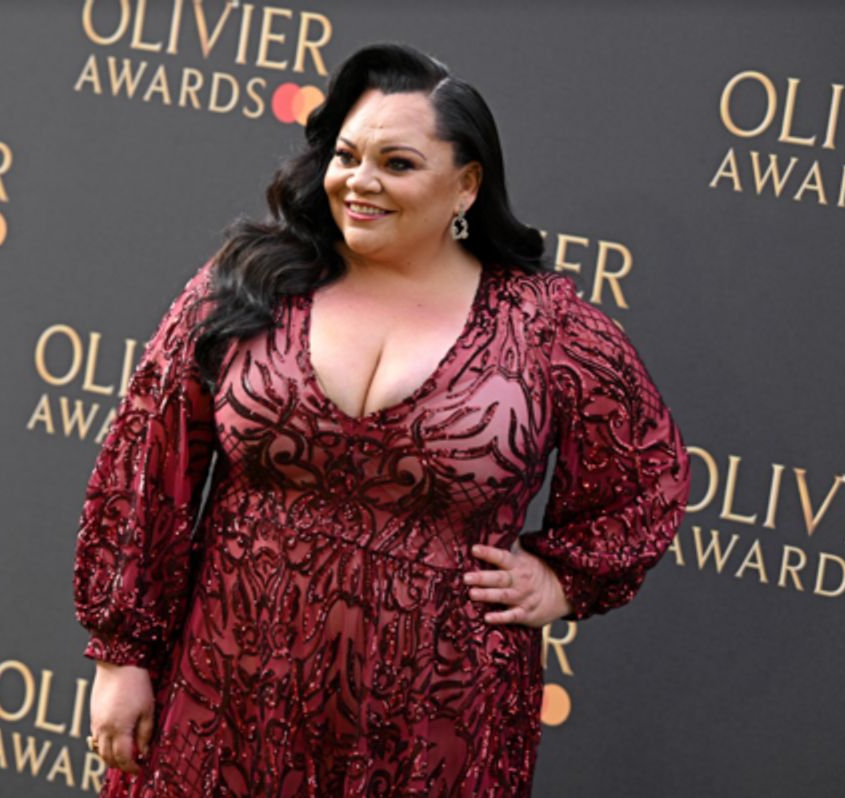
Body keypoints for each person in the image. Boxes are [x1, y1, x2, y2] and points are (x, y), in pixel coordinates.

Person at [73, 42, 691, 798]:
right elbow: (146, 467)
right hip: (223, 688)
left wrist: (563, 578)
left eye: (397, 164)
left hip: (438, 717)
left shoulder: (544, 328)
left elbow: (646, 474)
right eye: (346, 156)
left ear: (466, 186)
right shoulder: (248, 285)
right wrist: (121, 655)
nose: (360, 183)